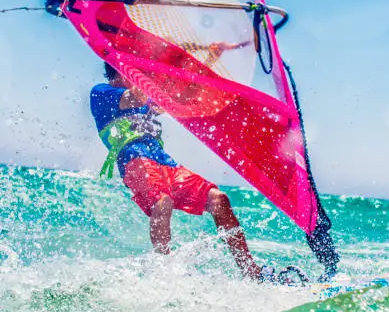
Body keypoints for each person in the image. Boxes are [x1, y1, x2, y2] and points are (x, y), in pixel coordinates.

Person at [90, 62, 269, 280]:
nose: (146, 74)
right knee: (163, 201)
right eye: (139, 71)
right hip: (135, 162)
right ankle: (164, 273)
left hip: (166, 163)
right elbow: (133, 97)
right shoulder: (102, 92)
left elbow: (182, 92)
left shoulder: (146, 96)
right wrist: (136, 63)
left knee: (219, 200)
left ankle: (251, 272)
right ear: (121, 70)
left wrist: (209, 56)